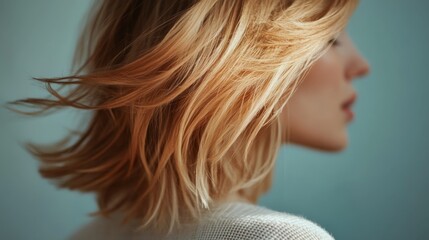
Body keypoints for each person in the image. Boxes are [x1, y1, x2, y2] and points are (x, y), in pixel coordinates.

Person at [10, 0, 370, 239]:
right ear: (232, 57)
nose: (361, 66)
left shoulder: (90, 236)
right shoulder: (280, 237)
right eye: (330, 38)